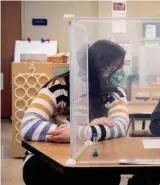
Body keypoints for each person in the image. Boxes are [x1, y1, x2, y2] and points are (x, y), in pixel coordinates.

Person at [21, 40, 129, 185]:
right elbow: (28, 126)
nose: (121, 71)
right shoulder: (59, 87)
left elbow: (119, 126)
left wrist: (81, 132)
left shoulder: (115, 93)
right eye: (117, 66)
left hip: (91, 159)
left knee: (108, 175)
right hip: (49, 161)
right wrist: (79, 132)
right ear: (101, 67)